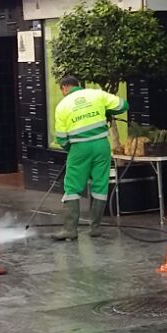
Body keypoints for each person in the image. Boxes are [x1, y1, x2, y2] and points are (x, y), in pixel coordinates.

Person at [51, 76, 126, 240]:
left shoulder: (62, 105)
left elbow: (62, 137)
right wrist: (107, 111)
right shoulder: (96, 94)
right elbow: (123, 105)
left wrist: (72, 150)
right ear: (78, 86)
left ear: (64, 88)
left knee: (72, 188)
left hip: (79, 148)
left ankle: (70, 230)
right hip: (101, 145)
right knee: (100, 185)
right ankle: (96, 228)